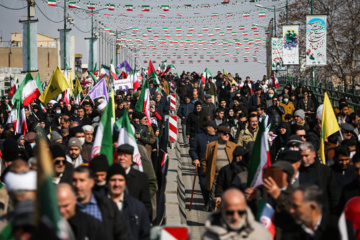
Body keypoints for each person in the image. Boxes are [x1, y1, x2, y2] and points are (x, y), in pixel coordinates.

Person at [72, 166, 130, 240]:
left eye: (82, 180)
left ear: (92, 183)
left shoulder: (107, 205)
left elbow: (122, 234)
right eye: (74, 180)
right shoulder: (65, 207)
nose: (77, 185)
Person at [202, 189, 272, 240]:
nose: (235, 217)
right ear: (221, 210)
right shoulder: (210, 236)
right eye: (230, 212)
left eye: (240, 212)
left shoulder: (262, 234)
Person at [106, 163, 150, 240]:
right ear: (107, 182)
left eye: (120, 180)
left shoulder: (138, 207)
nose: (117, 184)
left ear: (125, 182)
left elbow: (145, 235)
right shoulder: (96, 205)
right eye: (113, 180)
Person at [201, 125, 237, 209]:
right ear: (219, 134)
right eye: (225, 134)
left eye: (228, 133)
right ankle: (215, 215)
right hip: (215, 179)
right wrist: (207, 173)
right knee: (215, 200)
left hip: (229, 179)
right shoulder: (211, 146)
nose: (227, 135)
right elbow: (204, 161)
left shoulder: (233, 146)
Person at [299, 142, 340, 213]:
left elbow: (334, 195)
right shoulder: (297, 171)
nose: (304, 159)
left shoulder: (325, 171)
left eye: (306, 156)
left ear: (314, 154)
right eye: (301, 156)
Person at [115, 144, 152, 218]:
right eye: (120, 155)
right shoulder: (110, 176)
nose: (122, 158)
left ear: (131, 160)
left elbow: (146, 204)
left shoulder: (141, 178)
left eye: (125, 155)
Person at [190, 120, 219, 210]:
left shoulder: (218, 138)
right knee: (203, 185)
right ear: (208, 128)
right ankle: (206, 201)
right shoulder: (199, 137)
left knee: (213, 187)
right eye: (214, 128)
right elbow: (192, 150)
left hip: (215, 167)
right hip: (203, 166)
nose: (215, 130)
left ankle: (212, 204)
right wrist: (195, 158)